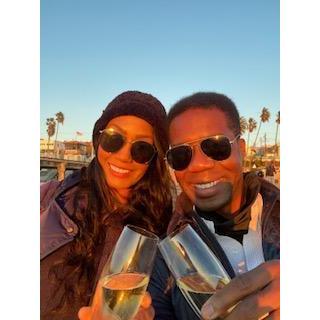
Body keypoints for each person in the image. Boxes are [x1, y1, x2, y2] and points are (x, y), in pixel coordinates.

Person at [40, 91, 173, 320]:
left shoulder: (164, 226)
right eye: (114, 139)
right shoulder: (45, 199)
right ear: (98, 140)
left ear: (154, 159)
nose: (123, 156)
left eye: (141, 149)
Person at [149, 92, 280, 320]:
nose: (199, 165)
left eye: (215, 146)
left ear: (241, 149)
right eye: (181, 155)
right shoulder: (165, 260)